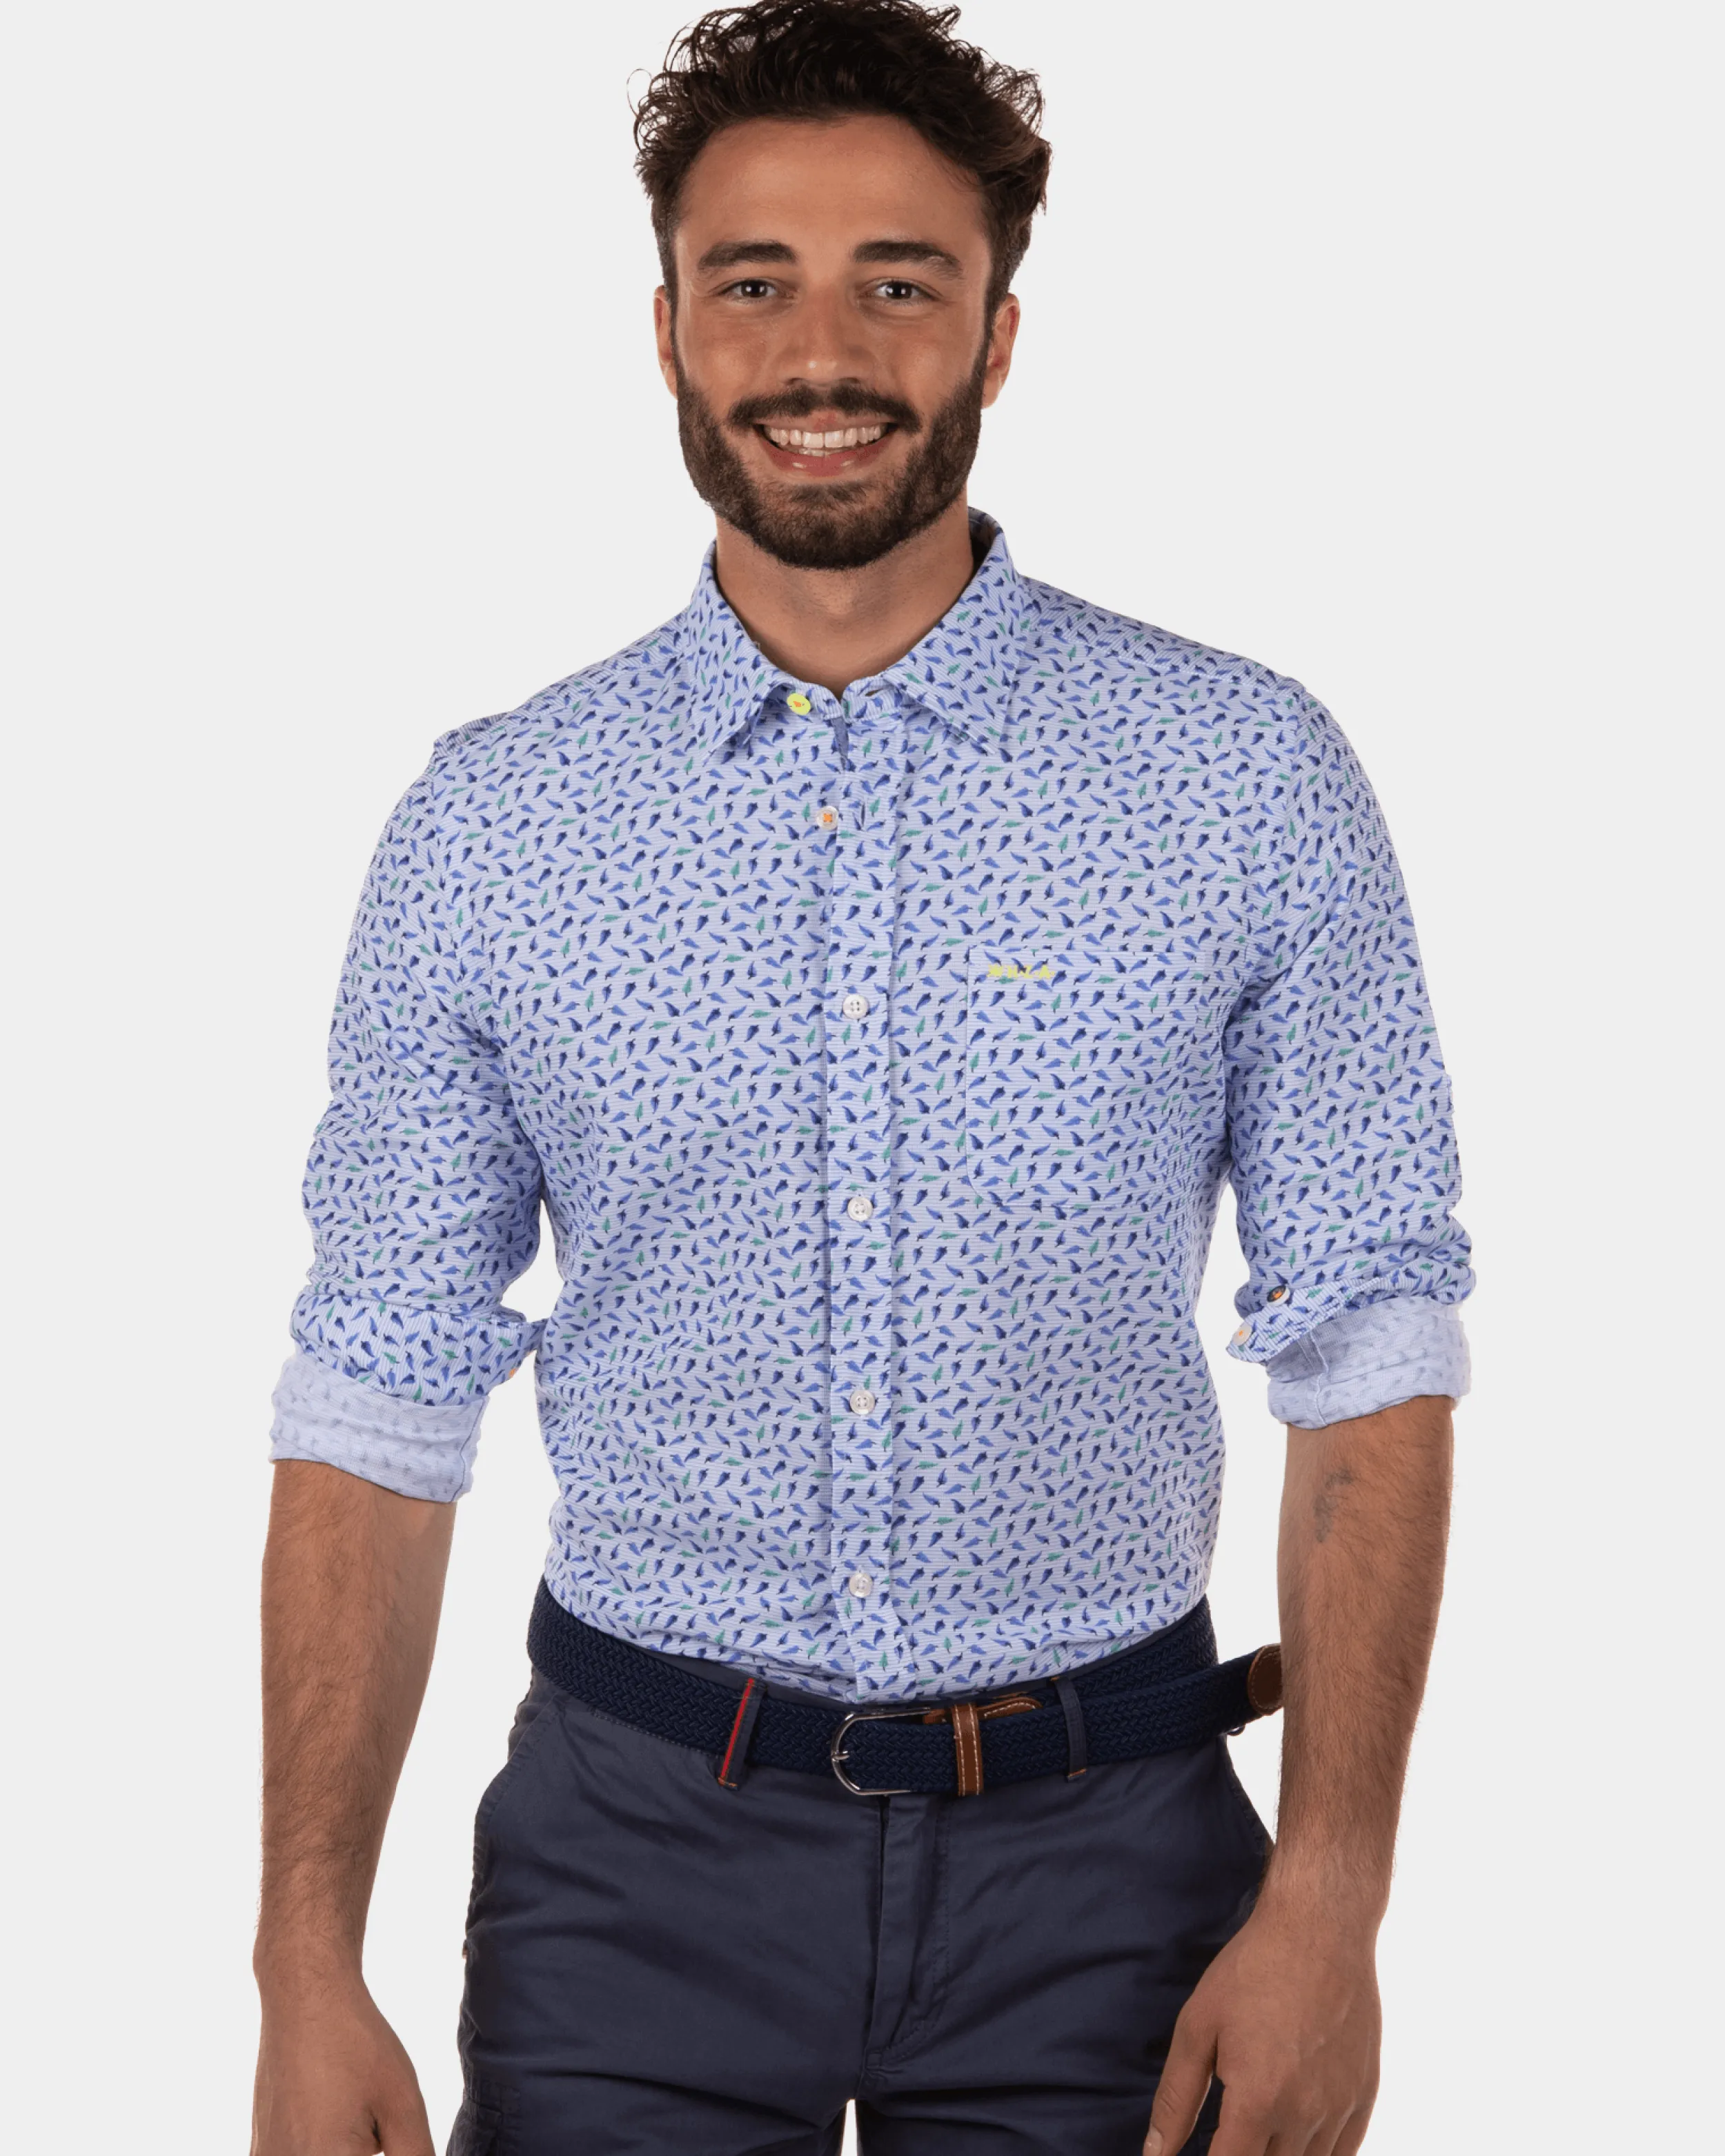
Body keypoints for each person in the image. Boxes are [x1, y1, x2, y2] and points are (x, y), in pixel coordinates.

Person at [250, 4, 1471, 2153]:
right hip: (629, 1869)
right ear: (665, 331)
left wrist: (1333, 1896)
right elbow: (376, 1392)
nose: (822, 353)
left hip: (1115, 1870)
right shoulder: (495, 824)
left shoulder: (1241, 775)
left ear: (997, 333)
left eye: (898, 283)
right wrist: (301, 1960)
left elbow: (1370, 1346)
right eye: (754, 283)